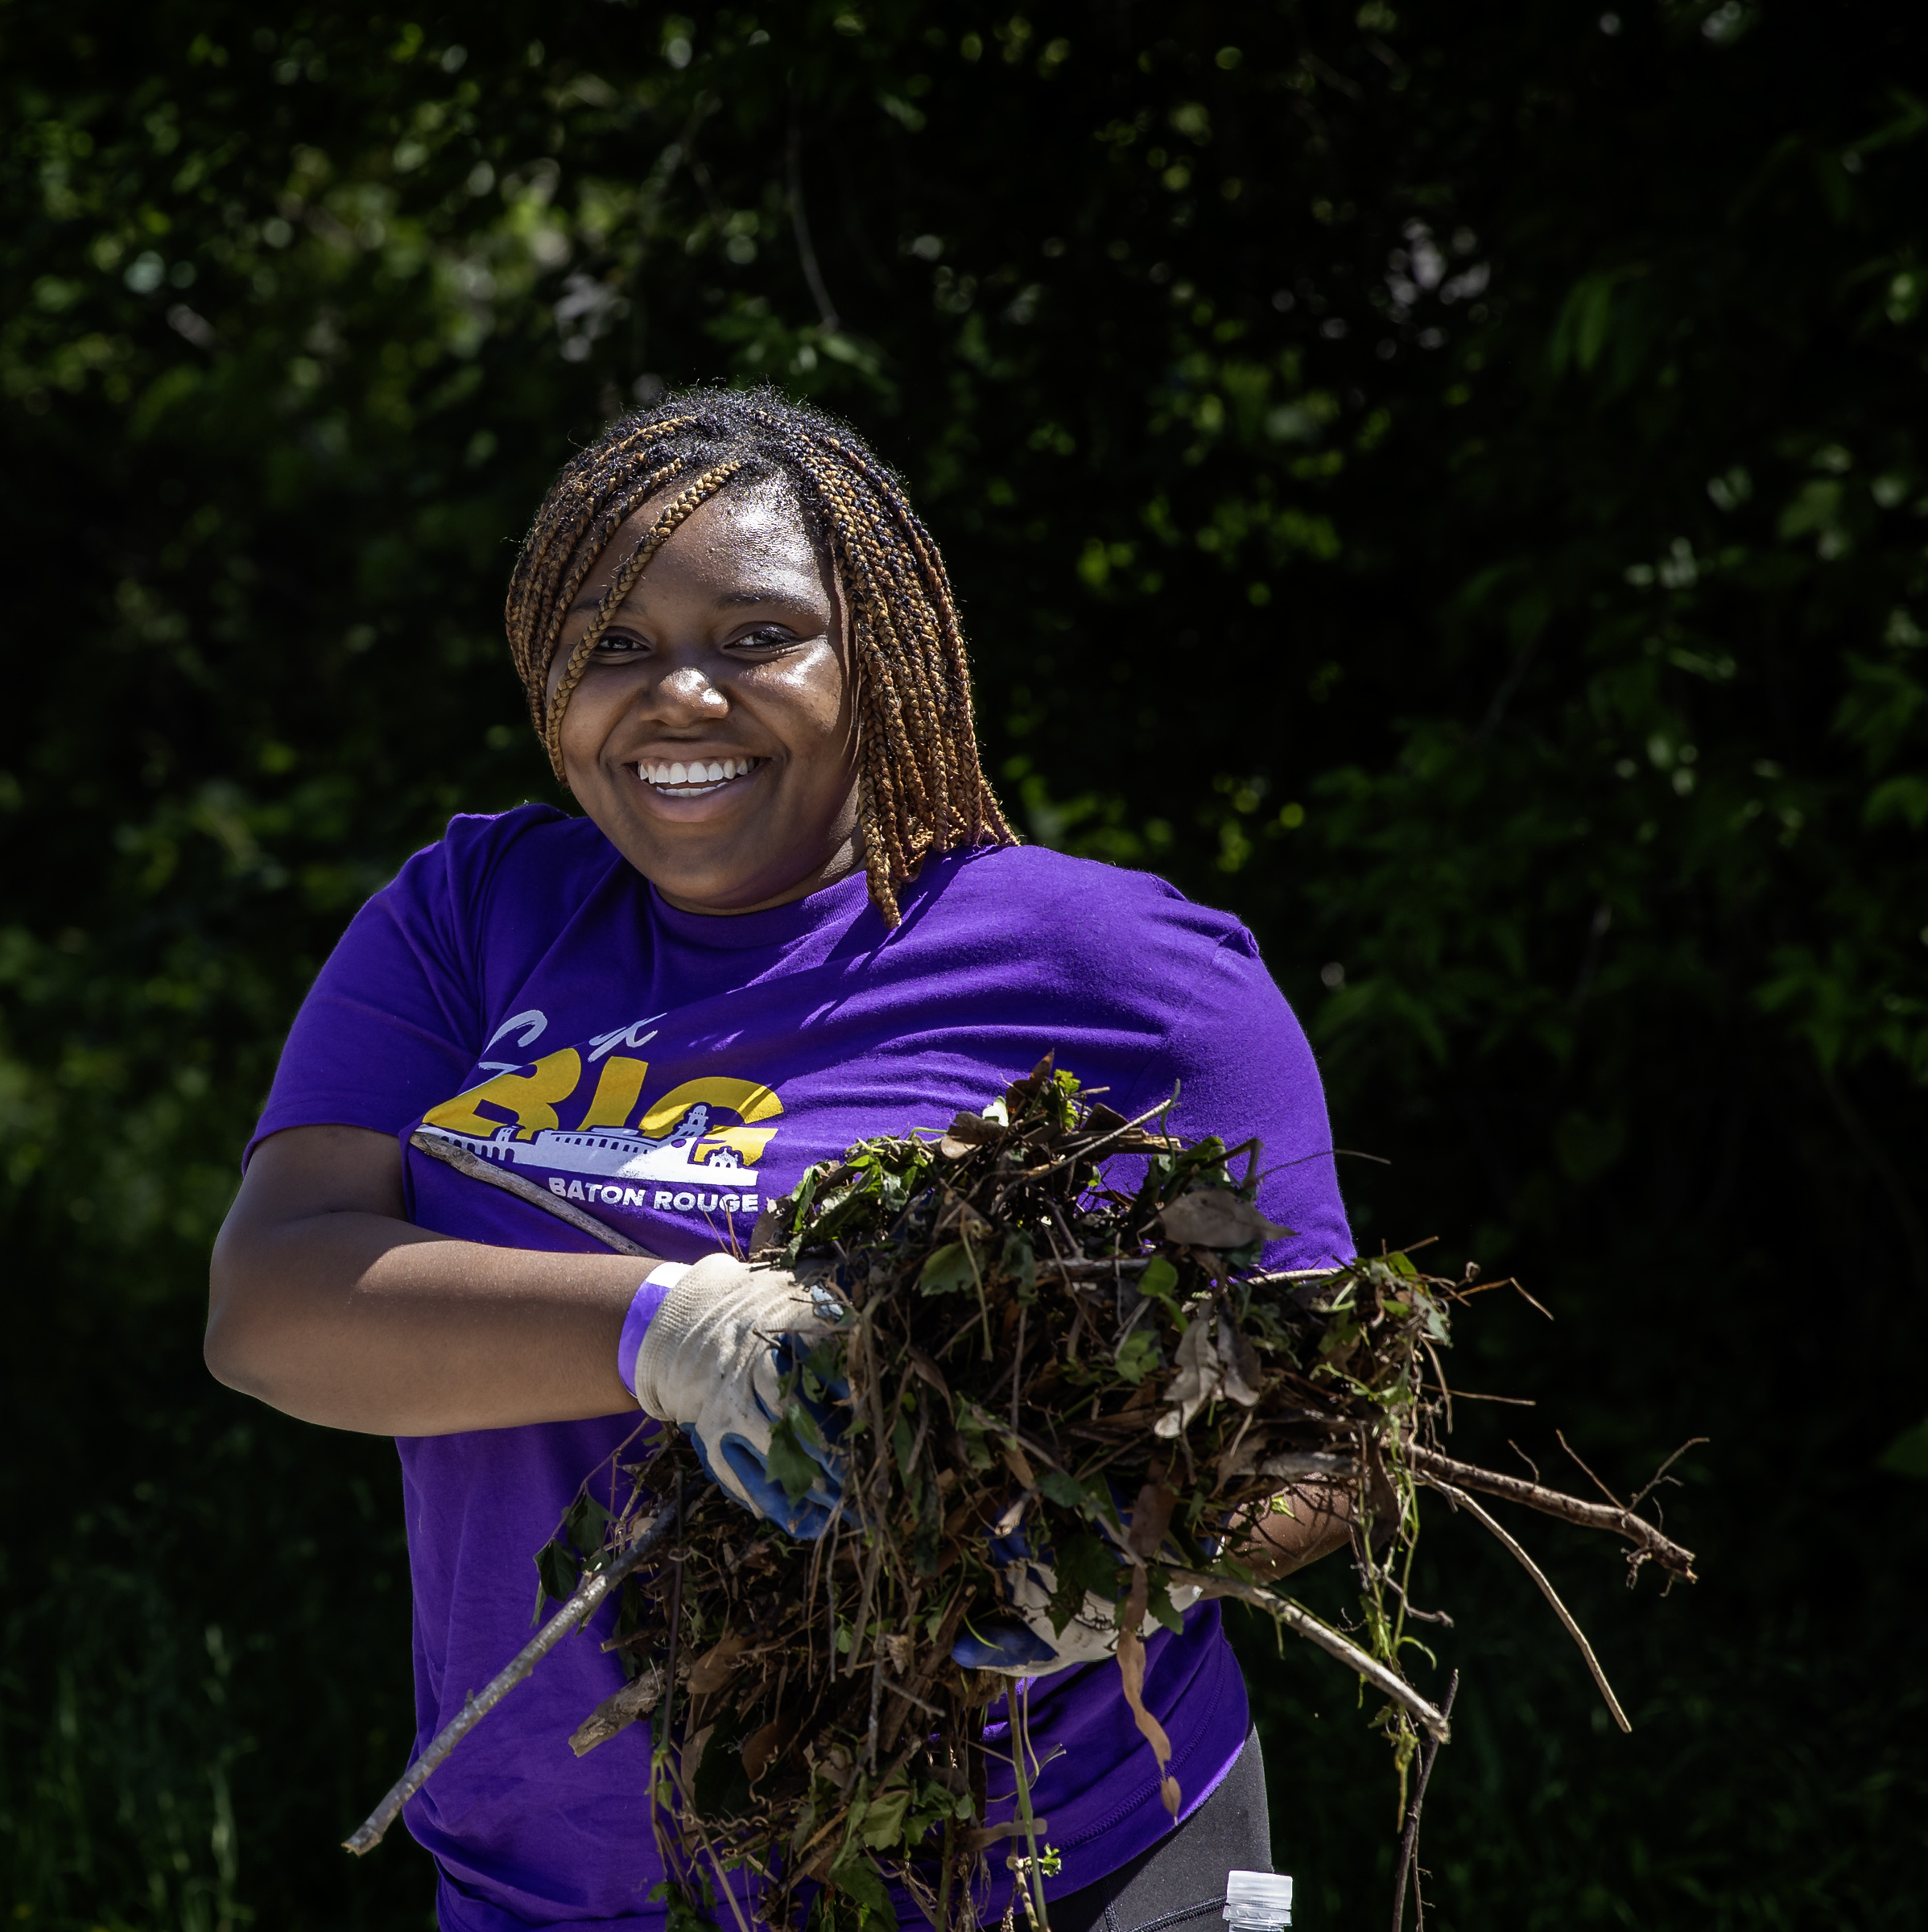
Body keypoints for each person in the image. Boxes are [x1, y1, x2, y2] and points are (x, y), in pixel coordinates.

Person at [206, 386, 1361, 1932]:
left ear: (875, 663)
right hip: (561, 1884)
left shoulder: (1118, 972)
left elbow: (1322, 1423)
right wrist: (662, 1333)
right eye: (612, 644)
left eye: (758, 637)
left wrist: (1121, 1569)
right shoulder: (473, 915)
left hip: (1049, 1870)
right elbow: (273, 1307)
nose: (679, 694)